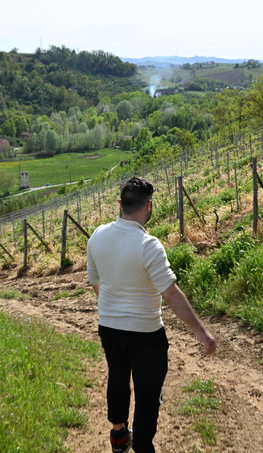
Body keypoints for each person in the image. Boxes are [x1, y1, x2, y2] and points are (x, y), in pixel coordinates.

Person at [87, 176, 217, 453]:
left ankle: (119, 435)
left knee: (117, 376)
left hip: (108, 326)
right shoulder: (148, 245)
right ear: (148, 206)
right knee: (148, 390)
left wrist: (113, 306)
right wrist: (203, 333)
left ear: (120, 204)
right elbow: (170, 293)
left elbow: (94, 279)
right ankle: (143, 445)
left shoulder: (97, 235)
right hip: (145, 333)